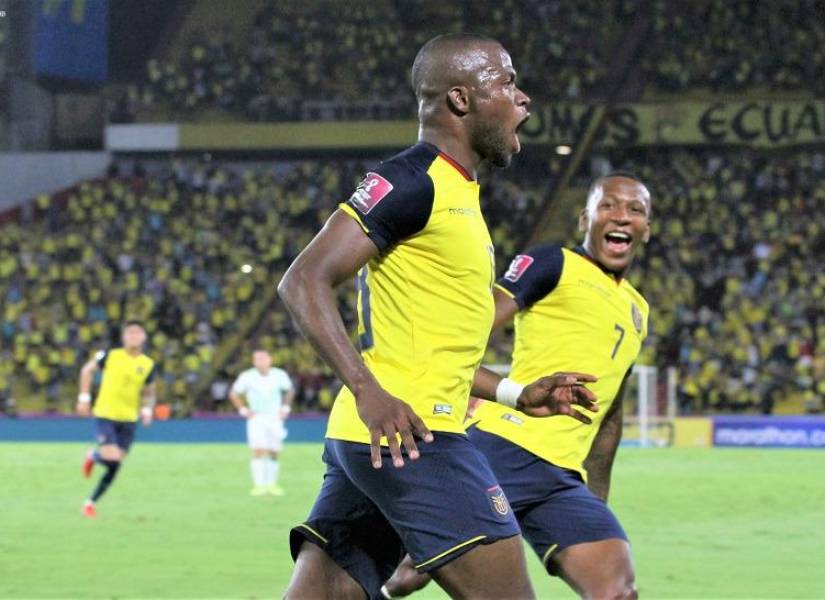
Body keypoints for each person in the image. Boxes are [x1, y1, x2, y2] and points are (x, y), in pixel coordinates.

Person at [278, 32, 599, 600]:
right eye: (506, 81)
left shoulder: (457, 193)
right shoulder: (413, 180)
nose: (523, 98)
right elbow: (303, 280)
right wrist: (367, 390)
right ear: (460, 99)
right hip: (414, 437)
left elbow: (433, 350)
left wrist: (516, 395)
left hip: (377, 437)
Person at [383, 173, 651, 600]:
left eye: (634, 210)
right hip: (503, 448)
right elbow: (473, 327)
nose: (621, 216)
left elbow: (609, 415)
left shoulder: (639, 308)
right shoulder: (554, 263)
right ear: (585, 219)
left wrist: (595, 499)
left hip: (561, 478)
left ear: (646, 229)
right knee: (404, 577)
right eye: (608, 206)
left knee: (617, 590)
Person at [77, 321, 157, 518]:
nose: (134, 336)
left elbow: (149, 391)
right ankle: (95, 457)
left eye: (138, 332)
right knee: (112, 457)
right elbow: (86, 370)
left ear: (144, 337)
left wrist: (147, 409)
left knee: (116, 464)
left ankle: (90, 502)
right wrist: (84, 398)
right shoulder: (110, 356)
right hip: (105, 414)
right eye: (130, 332)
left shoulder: (147, 364)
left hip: (129, 419)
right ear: (124, 337)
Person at [229, 349, 294, 496]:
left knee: (274, 452)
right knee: (258, 450)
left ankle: (272, 485)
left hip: (275, 417)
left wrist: (285, 408)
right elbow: (234, 393)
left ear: (270, 360)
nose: (261, 362)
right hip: (257, 417)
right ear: (254, 362)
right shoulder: (247, 376)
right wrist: (243, 409)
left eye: (263, 359)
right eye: (258, 359)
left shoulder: (279, 375)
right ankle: (259, 485)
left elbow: (290, 390)